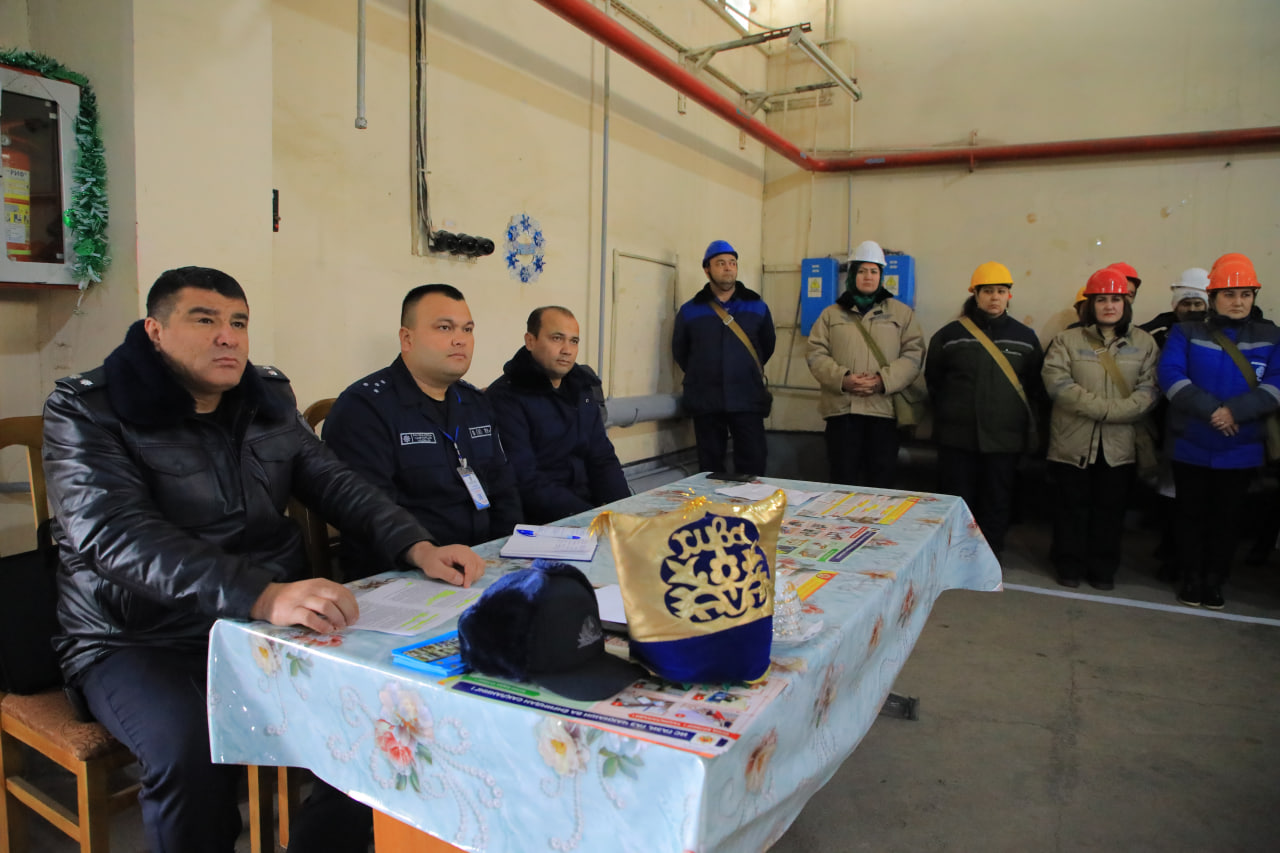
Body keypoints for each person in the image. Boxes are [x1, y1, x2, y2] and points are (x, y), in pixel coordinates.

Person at [41, 266, 485, 853]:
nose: (228, 336)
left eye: (239, 322)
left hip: (259, 621)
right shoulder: (87, 408)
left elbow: (333, 481)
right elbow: (116, 536)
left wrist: (416, 544)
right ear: (155, 330)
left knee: (382, 711)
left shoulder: (265, 398)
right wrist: (263, 594)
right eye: (205, 320)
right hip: (137, 632)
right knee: (190, 750)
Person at [325, 284, 522, 566]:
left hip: (483, 561)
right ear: (407, 339)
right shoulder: (364, 408)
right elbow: (369, 514)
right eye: (445, 328)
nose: (460, 340)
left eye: (467, 329)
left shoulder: (475, 403)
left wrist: (507, 555)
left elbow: (504, 491)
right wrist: (423, 554)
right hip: (405, 569)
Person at [1158, 253, 1280, 608]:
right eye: (1229, 294)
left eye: (1245, 294)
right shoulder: (1185, 332)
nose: (1238, 301)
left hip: (1240, 448)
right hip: (1191, 443)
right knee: (1190, 516)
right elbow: (1170, 375)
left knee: (1227, 520)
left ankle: (1214, 582)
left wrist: (1235, 412)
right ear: (1212, 297)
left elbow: (1276, 383)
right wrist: (1214, 411)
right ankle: (1191, 578)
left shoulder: (1271, 336)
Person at [1042, 267, 1160, 589]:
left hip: (1119, 447)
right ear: (1090, 304)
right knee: (1071, 509)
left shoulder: (1145, 344)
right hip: (1072, 443)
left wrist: (1113, 412)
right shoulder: (1066, 340)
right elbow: (1058, 384)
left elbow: (1150, 390)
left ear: (1126, 304)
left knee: (1110, 511)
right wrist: (1104, 409)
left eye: (1116, 299)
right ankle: (1068, 566)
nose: (1109, 306)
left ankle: (1102, 569)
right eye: (1102, 299)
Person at [925, 262, 1044, 555]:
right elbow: (934, 380)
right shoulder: (949, 335)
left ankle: (989, 557)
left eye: (1001, 291)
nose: (994, 297)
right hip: (957, 438)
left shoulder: (1025, 337)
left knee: (997, 500)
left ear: (1009, 296)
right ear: (975, 294)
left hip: (1005, 439)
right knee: (956, 501)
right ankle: (954, 557)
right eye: (988, 291)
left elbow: (1035, 385)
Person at [486, 305, 629, 523]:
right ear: (530, 341)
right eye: (557, 338)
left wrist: (622, 510)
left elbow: (602, 458)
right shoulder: (506, 397)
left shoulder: (582, 389)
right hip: (541, 521)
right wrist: (589, 519)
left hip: (587, 509)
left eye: (574, 341)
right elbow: (525, 479)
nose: (567, 350)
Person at [806, 240, 925, 488]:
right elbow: (816, 353)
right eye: (861, 271)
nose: (868, 276)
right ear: (852, 275)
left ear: (881, 276)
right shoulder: (831, 314)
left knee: (881, 481)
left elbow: (913, 354)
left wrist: (883, 381)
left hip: (883, 412)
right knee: (842, 480)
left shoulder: (902, 313)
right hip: (842, 413)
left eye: (873, 271)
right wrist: (843, 379)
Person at [672, 239, 775, 476]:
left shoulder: (757, 306)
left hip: (747, 398)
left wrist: (744, 370)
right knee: (710, 469)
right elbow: (681, 351)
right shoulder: (690, 310)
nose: (728, 267)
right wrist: (704, 372)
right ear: (707, 269)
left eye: (732, 263)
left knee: (753, 463)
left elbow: (767, 346)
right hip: (706, 400)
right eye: (720, 263)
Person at [1139, 268, 1210, 348]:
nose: (1191, 309)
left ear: (1207, 307)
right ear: (1176, 306)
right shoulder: (1157, 330)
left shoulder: (1216, 333)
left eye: (1197, 304)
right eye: (1186, 304)